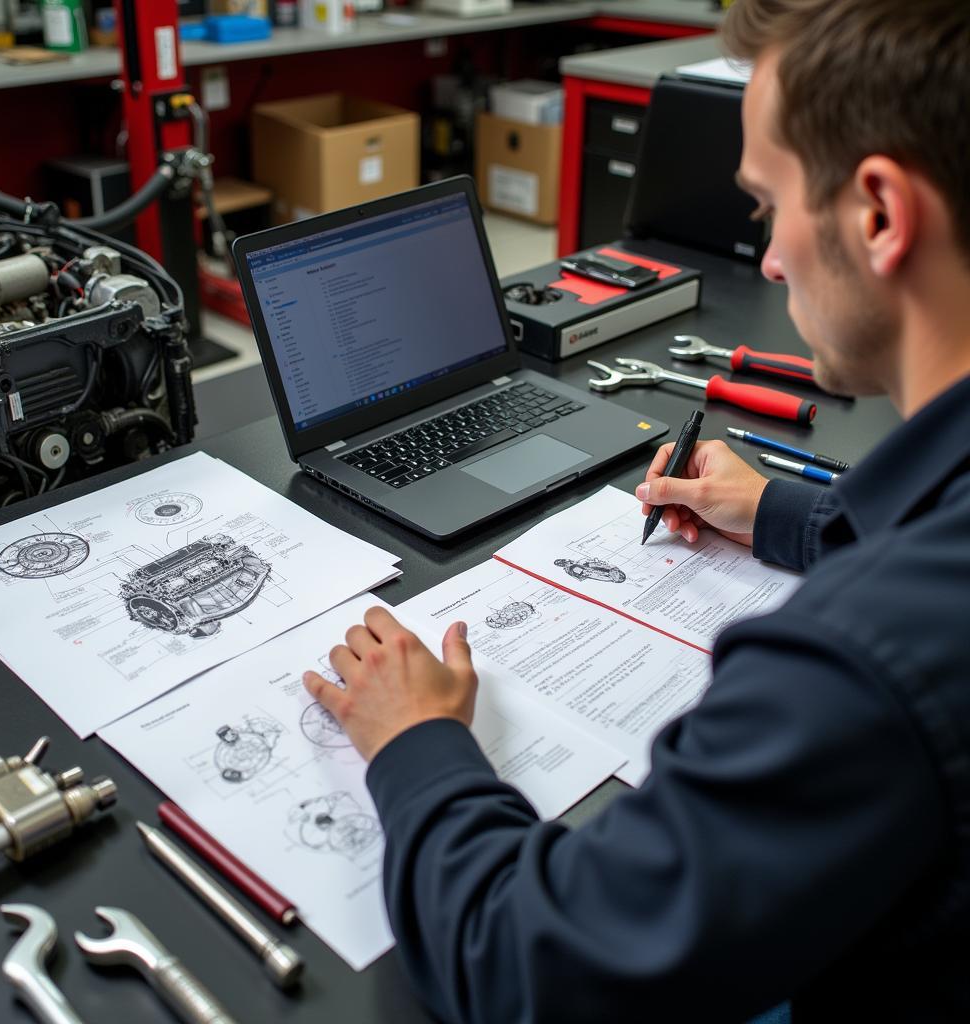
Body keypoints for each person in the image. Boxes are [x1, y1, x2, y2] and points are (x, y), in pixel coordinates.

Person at [303, 1, 970, 1019]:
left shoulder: (862, 659)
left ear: (877, 213)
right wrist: (792, 514)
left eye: (767, 204)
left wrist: (414, 741)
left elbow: (524, 964)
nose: (771, 258)